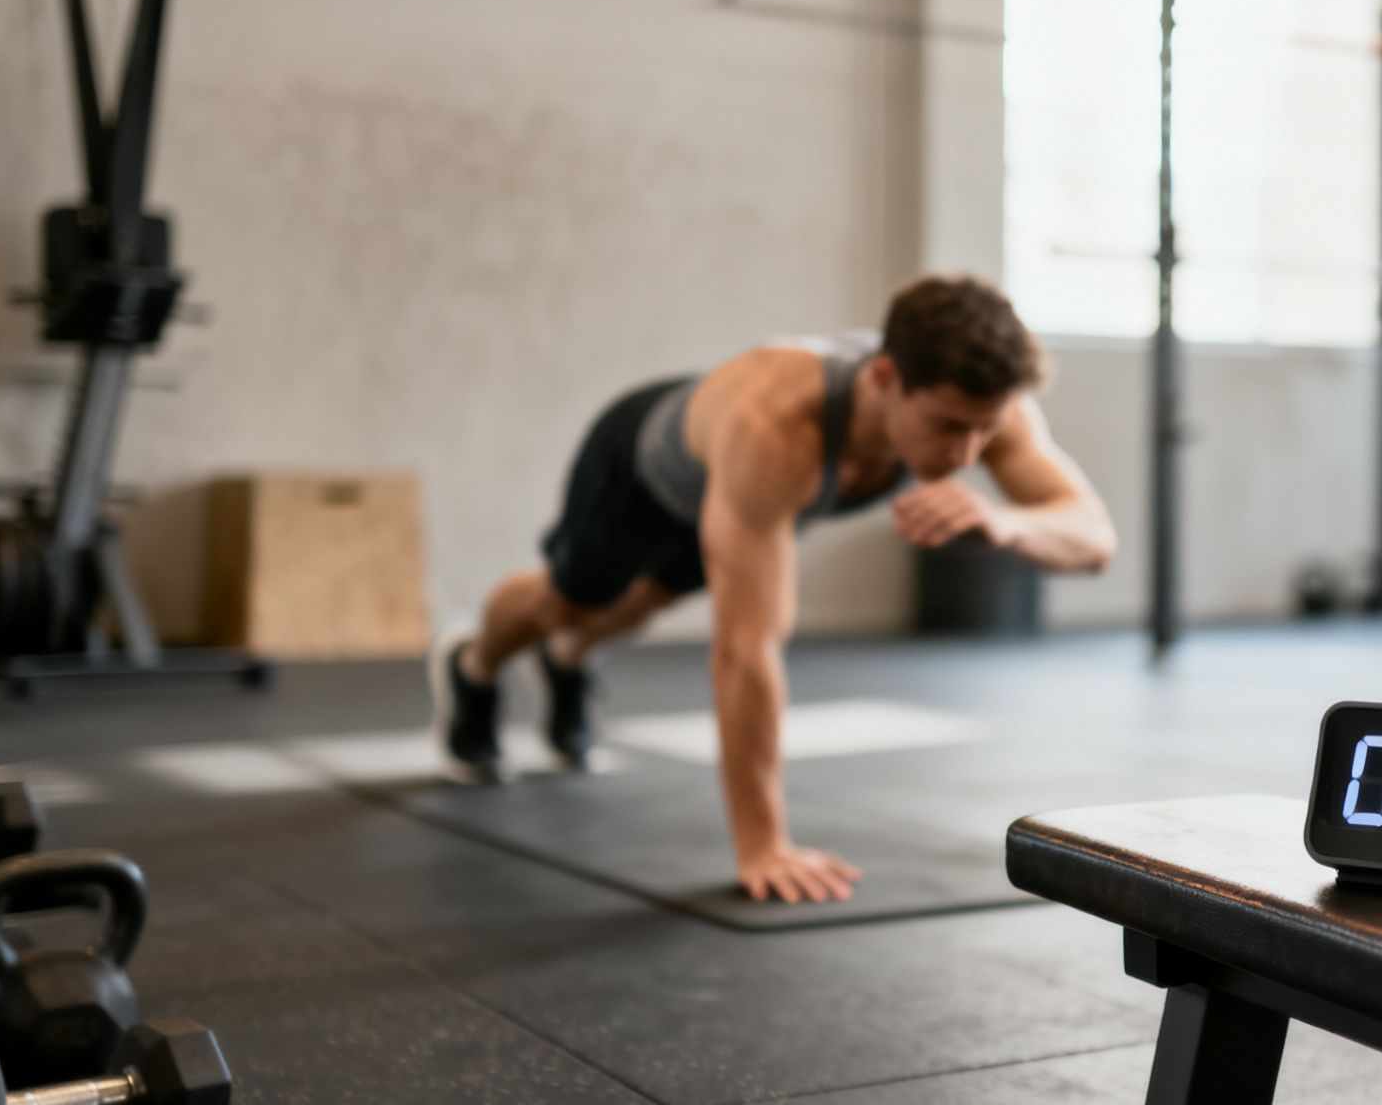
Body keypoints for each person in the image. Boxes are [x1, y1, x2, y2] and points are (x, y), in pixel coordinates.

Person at [432, 275, 1117, 903]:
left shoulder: (986, 408)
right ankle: (473, 664)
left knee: (644, 604)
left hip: (727, 488)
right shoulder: (776, 427)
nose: (965, 455)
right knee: (568, 600)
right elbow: (747, 648)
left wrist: (1004, 523)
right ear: (885, 378)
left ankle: (571, 660)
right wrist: (763, 845)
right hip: (637, 473)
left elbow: (1092, 540)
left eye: (984, 430)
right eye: (946, 427)